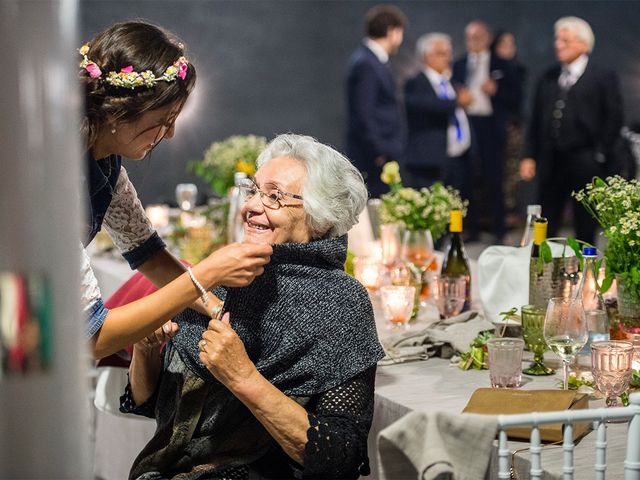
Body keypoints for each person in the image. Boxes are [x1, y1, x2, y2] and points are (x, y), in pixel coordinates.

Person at [121, 134, 384, 479]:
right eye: (254, 190)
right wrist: (144, 351)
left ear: (319, 218)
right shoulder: (221, 273)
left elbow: (339, 456)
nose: (252, 207)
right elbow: (148, 401)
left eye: (274, 196)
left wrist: (243, 377)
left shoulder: (342, 302)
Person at [79, 21, 271, 359]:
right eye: (163, 121)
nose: (168, 135)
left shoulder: (107, 163)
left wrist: (219, 311)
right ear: (118, 114)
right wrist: (208, 272)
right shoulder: (60, 180)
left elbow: (149, 255)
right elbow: (92, 337)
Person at [520, 16, 624, 244]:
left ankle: (583, 273)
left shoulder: (602, 77)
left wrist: (600, 153)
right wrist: (529, 155)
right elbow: (535, 121)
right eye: (558, 39)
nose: (558, 44)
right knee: (546, 222)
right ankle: (546, 272)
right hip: (552, 160)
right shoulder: (548, 78)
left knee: (585, 223)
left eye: (565, 40)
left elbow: (614, 119)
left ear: (583, 44)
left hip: (586, 160)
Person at [452, 20, 520, 242]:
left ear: (488, 38)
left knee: (494, 178)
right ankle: (470, 231)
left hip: (491, 126)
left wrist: (496, 90)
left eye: (479, 36)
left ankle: (499, 231)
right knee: (468, 179)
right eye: (470, 37)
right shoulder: (460, 64)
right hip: (468, 125)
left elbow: (516, 98)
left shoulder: (502, 64)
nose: (474, 41)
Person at [345, 4, 406, 197]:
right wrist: (379, 151)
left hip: (379, 153)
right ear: (392, 31)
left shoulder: (372, 61)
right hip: (373, 157)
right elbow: (364, 113)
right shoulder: (366, 63)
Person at [404, 32, 473, 199]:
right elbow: (428, 106)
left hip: (457, 158)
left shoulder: (450, 82)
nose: (448, 58)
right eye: (442, 53)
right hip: (429, 161)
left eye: (449, 53)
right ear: (427, 56)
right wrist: (456, 101)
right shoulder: (416, 82)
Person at [490, 30, 528, 223]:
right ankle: (492, 216)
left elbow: (517, 98)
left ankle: (510, 213)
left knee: (511, 172)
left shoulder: (517, 70)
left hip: (512, 128)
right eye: (503, 43)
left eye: (511, 43)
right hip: (491, 129)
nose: (507, 47)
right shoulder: (489, 66)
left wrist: (497, 91)